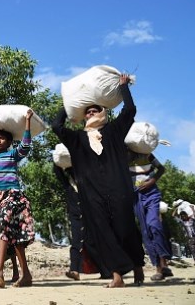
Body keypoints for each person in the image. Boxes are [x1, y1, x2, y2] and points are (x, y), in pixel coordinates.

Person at [52, 74, 145, 288]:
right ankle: (117, 276)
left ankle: (137, 264)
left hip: (119, 188)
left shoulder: (113, 131)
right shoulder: (77, 139)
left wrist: (123, 88)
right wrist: (69, 105)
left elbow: (129, 111)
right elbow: (57, 126)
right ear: (83, 118)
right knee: (102, 231)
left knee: (125, 227)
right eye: (88, 112)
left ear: (103, 112)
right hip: (92, 193)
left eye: (95, 110)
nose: (92, 113)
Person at [0, 108, 35, 288]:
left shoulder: (12, 154)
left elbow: (25, 145)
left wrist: (27, 121)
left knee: (2, 229)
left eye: (2, 138)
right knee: (16, 239)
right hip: (2, 200)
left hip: (15, 196)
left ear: (9, 141)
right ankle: (26, 275)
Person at [53, 165, 111, 281]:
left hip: (90, 217)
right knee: (76, 242)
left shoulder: (88, 184)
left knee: (90, 243)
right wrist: (56, 162)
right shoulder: (68, 185)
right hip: (75, 218)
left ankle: (105, 270)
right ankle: (74, 270)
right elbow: (57, 171)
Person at [127, 150, 173, 280]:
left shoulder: (147, 154)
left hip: (151, 193)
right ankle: (159, 268)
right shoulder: (123, 158)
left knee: (154, 225)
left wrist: (151, 181)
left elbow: (161, 169)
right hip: (136, 196)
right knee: (146, 232)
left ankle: (164, 264)